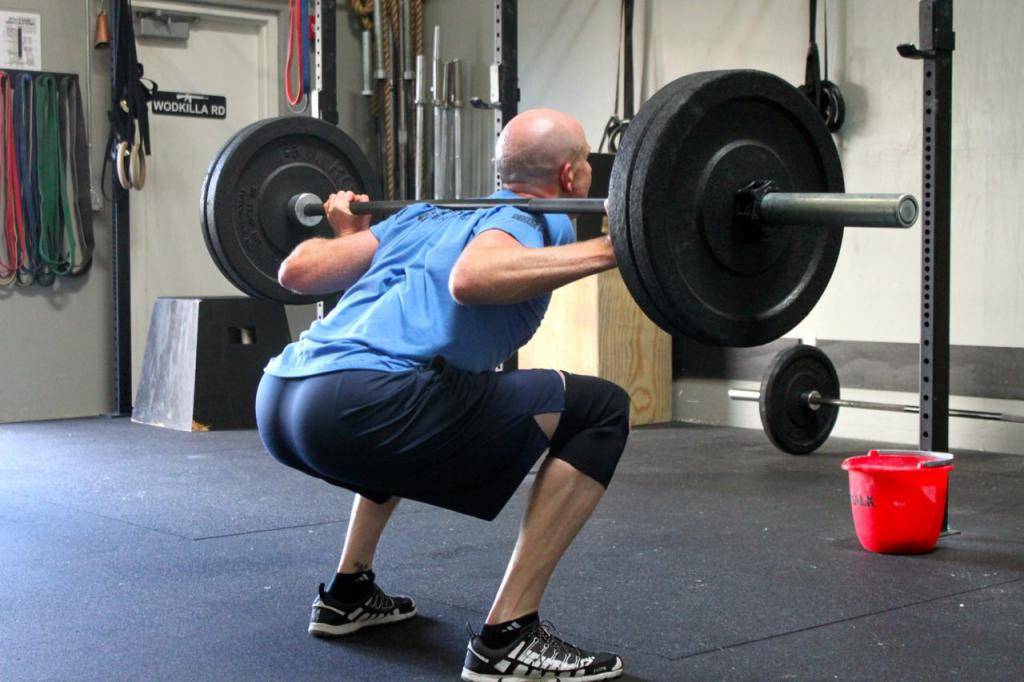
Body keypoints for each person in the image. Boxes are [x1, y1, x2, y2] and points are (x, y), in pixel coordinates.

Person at [255, 109, 630, 681]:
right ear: (569, 175)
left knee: (425, 391)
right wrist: (618, 248)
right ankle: (509, 637)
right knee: (599, 409)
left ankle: (348, 592)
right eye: (583, 161)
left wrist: (350, 236)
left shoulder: (427, 214)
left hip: (284, 397)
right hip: (360, 404)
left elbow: (297, 271)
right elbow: (472, 278)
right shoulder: (531, 216)